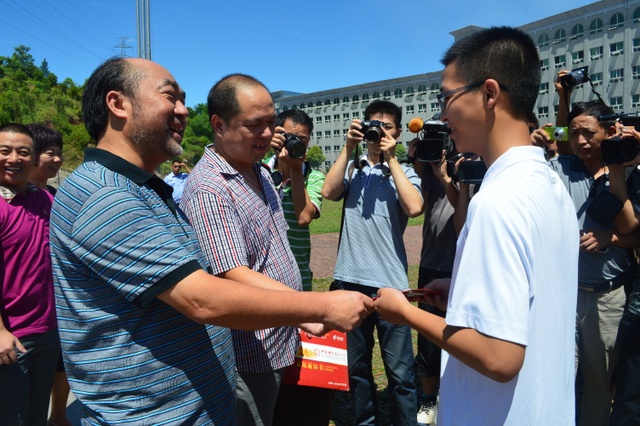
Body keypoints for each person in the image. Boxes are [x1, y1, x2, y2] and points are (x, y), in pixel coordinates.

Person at [48, 57, 374, 425]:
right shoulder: (105, 195)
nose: (183, 111)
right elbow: (202, 298)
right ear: (117, 104)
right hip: (153, 415)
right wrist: (318, 307)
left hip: (189, 403)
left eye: (183, 100)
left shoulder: (141, 188)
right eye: (170, 97)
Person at [374, 26, 580, 425]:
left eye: (446, 98)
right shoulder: (550, 183)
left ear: (489, 93)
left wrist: (406, 313)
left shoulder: (497, 200)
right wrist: (461, 291)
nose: (441, 114)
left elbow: (500, 358)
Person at [321, 99, 423, 425]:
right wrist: (348, 148)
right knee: (356, 369)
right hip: (349, 280)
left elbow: (414, 207)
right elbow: (328, 192)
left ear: (398, 133)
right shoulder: (354, 168)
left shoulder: (405, 172)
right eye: (373, 126)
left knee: (400, 372)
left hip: (391, 284)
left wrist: (391, 158)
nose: (379, 133)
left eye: (386, 127)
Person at [548, 101, 640, 426]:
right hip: (564, 296)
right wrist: (563, 99)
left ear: (609, 130)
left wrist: (609, 238)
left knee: (599, 382)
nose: (580, 140)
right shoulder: (560, 168)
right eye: (575, 133)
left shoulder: (629, 172)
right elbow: (556, 136)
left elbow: (634, 234)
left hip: (607, 297)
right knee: (558, 375)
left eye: (588, 133)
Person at [263, 109, 335, 425]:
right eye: (289, 136)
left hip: (297, 280)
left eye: (301, 140)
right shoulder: (258, 169)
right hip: (261, 280)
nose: (295, 143)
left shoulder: (312, 176)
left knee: (293, 358)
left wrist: (294, 170)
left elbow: (304, 216)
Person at [0, 123, 59, 426]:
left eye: (23, 152)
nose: (14, 158)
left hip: (47, 330)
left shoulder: (45, 200)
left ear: (34, 158)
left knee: (37, 415)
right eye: (5, 151)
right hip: (10, 336)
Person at [407, 137, 458, 425]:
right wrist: (419, 161)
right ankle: (428, 399)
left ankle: (451, 396)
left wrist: (447, 178)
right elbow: (420, 204)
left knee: (458, 336)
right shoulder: (429, 164)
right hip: (431, 261)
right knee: (427, 339)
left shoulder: (470, 162)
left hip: (461, 264)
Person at [25, 123, 72, 426]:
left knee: (60, 364)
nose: (57, 160)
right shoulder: (12, 199)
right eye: (49, 153)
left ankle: (58, 415)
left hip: (57, 299)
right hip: (26, 304)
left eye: (59, 153)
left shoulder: (56, 196)